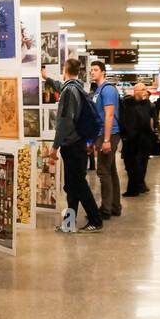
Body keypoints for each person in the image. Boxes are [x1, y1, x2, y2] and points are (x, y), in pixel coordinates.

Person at [49, 58, 103, 233]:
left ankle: (95, 219)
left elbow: (64, 122)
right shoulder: (77, 88)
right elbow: (60, 86)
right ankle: (69, 223)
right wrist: (47, 78)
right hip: (78, 142)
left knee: (78, 183)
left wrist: (55, 147)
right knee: (72, 184)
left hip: (71, 144)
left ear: (65, 69)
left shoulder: (69, 91)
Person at [89, 60, 122, 218]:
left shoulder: (108, 90)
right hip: (103, 133)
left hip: (109, 133)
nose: (92, 72)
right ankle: (115, 206)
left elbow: (109, 114)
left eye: (95, 69)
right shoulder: (98, 90)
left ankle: (106, 209)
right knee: (111, 171)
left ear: (103, 72)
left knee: (103, 171)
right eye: (91, 70)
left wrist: (106, 140)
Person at [120, 83, 157, 196]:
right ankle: (135, 186)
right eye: (143, 89)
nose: (145, 91)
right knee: (132, 164)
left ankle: (140, 184)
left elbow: (152, 120)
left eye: (145, 89)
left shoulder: (149, 105)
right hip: (131, 139)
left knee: (142, 162)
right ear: (136, 91)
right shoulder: (128, 103)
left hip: (144, 138)